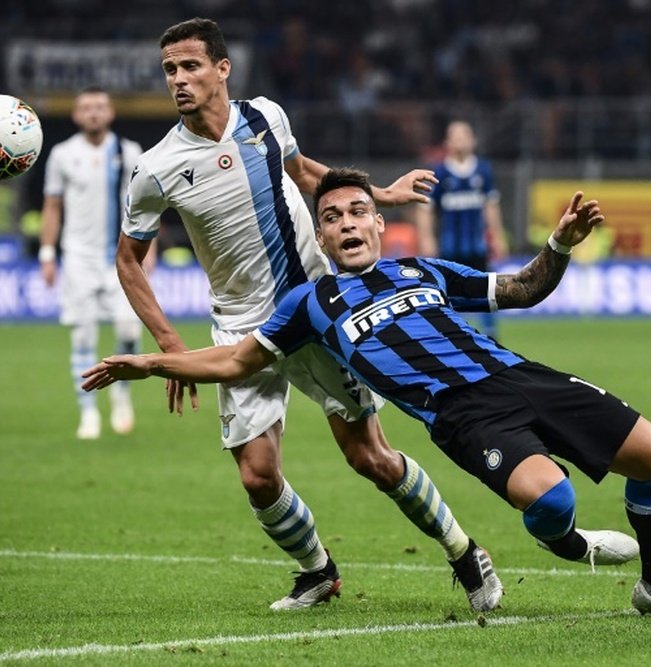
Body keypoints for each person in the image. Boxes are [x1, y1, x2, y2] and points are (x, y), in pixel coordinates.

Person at [86, 168, 651, 619]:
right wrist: (150, 360)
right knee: (552, 498)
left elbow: (521, 288)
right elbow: (236, 359)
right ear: (321, 238)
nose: (346, 223)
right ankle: (572, 544)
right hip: (462, 414)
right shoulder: (309, 303)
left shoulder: (420, 269)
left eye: (358, 212)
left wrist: (558, 245)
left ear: (378, 223)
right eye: (332, 217)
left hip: (519, 375)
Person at [112, 17, 508, 613]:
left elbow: (304, 173)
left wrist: (377, 194)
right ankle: (317, 570)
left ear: (223, 69)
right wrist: (169, 345)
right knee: (258, 477)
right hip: (240, 326)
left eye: (190, 66)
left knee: (368, 455)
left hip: (318, 310)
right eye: (169, 69)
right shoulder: (156, 168)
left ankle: (463, 552)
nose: (179, 79)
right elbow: (128, 263)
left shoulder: (266, 117)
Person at [39, 86, 149, 440]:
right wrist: (47, 252)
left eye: (100, 107)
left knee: (130, 330)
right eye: (86, 107)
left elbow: (146, 207)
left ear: (111, 113)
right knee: (83, 333)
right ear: (75, 115)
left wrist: (152, 253)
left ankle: (121, 393)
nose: (93, 113)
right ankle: (88, 413)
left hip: (122, 258)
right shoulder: (61, 154)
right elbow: (52, 206)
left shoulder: (130, 151)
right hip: (79, 257)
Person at [415, 120, 507, 339]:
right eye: (455, 137)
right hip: (449, 246)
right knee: (447, 289)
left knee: (485, 286)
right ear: (447, 142)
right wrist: (427, 238)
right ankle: (452, 332)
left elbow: (491, 205)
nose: (460, 142)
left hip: (477, 245)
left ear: (473, 141)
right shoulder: (440, 172)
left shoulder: (483, 170)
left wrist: (499, 236)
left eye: (464, 136)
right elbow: (425, 208)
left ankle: (491, 334)